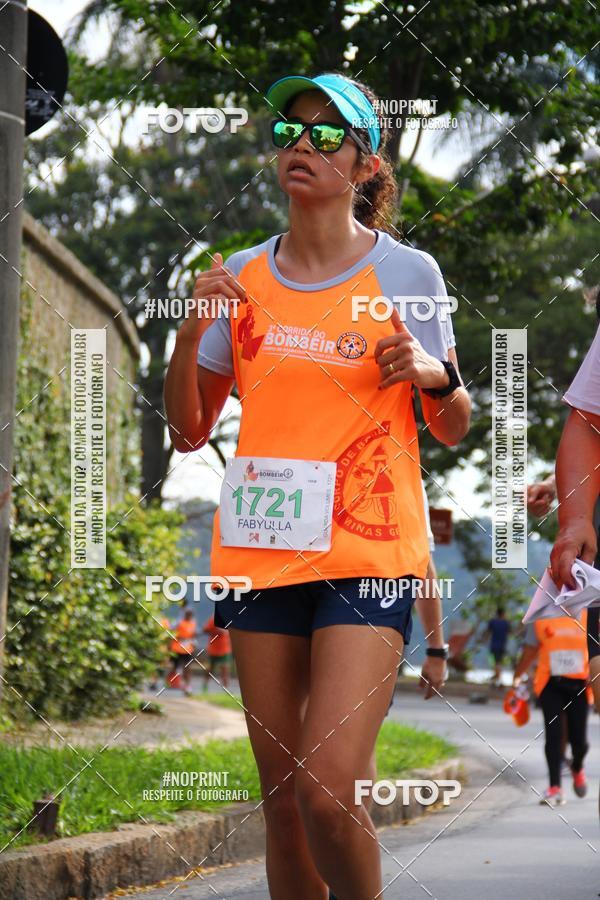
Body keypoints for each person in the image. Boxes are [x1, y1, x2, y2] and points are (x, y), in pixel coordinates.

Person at [164, 71, 471, 899]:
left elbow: (453, 425)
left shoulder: (408, 274)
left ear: (365, 165)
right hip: (261, 557)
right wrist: (190, 334)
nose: (302, 145)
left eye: (327, 134)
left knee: (328, 791)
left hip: (369, 557)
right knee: (283, 806)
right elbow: (188, 431)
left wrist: (435, 375)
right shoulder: (241, 276)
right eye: (289, 130)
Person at [512, 611, 592, 806]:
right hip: (550, 684)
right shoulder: (540, 614)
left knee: (580, 742)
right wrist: (517, 676)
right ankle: (555, 787)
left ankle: (577, 766)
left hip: (581, 684)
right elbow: (530, 649)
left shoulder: (589, 611)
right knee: (553, 735)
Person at [168, 608, 197, 696]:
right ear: (185, 615)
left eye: (190, 614)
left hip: (188, 649)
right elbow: (171, 632)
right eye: (187, 614)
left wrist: (193, 642)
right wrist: (170, 644)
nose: (189, 616)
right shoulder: (179, 622)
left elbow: (193, 635)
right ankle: (170, 681)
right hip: (177, 648)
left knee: (187, 667)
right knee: (174, 666)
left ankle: (187, 685)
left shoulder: (193, 623)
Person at [202, 613, 233, 690]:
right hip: (213, 649)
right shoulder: (213, 619)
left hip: (225, 649)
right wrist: (215, 630)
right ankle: (205, 685)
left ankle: (226, 688)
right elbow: (205, 630)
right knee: (210, 668)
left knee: (225, 668)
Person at [483, 607, 511, 687]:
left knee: (496, 662)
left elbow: (487, 632)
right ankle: (498, 680)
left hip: (494, 645)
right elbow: (510, 633)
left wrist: (483, 640)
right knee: (498, 662)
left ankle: (497, 679)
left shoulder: (493, 622)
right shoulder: (506, 623)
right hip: (502, 645)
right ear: (503, 613)